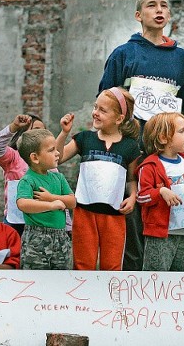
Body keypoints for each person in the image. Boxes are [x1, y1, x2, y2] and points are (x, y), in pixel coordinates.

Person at [98, 0, 184, 270]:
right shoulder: (124, 53)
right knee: (131, 221)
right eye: (152, 5)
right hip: (129, 152)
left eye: (164, 5)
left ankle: (160, 284)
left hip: (163, 155)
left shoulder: (181, 57)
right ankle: (129, 285)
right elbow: (105, 101)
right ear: (139, 15)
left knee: (163, 216)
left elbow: (183, 108)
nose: (159, 10)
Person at [56, 87, 140, 270]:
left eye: (103, 110)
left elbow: (131, 180)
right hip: (84, 212)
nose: (95, 113)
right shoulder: (85, 139)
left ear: (119, 119)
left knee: (112, 266)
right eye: (95, 107)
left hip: (115, 215)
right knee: (82, 264)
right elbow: (57, 158)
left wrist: (133, 197)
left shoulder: (130, 147)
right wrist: (64, 133)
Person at [136, 112, 184, 271]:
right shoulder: (149, 166)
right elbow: (141, 197)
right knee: (156, 277)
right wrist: (160, 191)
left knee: (183, 277)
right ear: (163, 138)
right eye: (181, 131)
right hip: (161, 234)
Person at [16, 129, 76, 270]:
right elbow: (23, 203)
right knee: (36, 280)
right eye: (51, 150)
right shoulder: (27, 180)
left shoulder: (58, 178)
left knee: (60, 279)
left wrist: (51, 198)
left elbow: (72, 201)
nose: (57, 153)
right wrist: (50, 205)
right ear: (35, 158)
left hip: (61, 237)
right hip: (36, 238)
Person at [0, 114, 45, 236]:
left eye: (43, 131)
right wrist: (14, 126)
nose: (40, 134)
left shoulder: (48, 161)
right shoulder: (13, 157)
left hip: (40, 221)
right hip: (15, 221)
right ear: (22, 134)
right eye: (36, 130)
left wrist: (67, 226)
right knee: (13, 254)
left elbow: (59, 191)